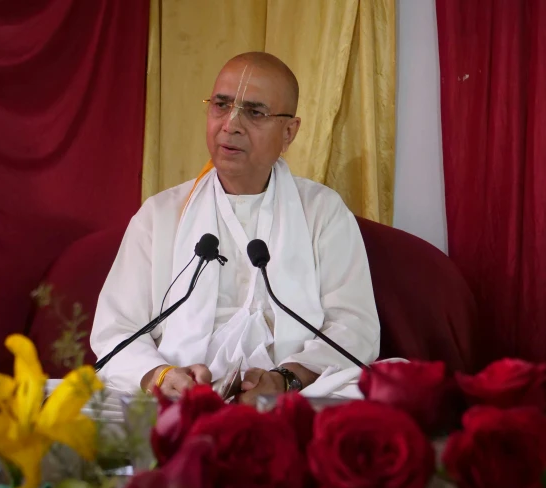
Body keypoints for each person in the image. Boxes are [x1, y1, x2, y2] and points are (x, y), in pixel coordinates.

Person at [91, 52, 380, 403]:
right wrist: (161, 375)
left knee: (392, 387)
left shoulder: (322, 211)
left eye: (254, 112)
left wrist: (286, 378)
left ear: (289, 131)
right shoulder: (160, 215)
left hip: (290, 396)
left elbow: (355, 328)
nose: (230, 124)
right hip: (181, 398)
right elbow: (115, 330)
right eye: (221, 105)